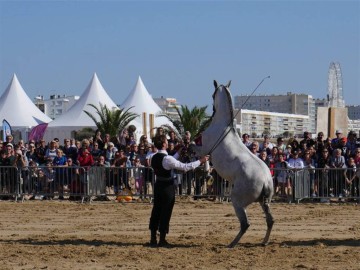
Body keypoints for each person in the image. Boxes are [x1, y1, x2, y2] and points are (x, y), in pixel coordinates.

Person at [148, 134, 209, 247]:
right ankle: (162, 239)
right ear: (164, 144)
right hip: (167, 187)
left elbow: (168, 161)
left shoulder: (154, 157)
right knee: (166, 212)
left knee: (156, 210)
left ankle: (152, 238)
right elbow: (185, 167)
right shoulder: (167, 159)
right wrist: (201, 161)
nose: (167, 142)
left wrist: (178, 152)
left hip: (158, 186)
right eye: (166, 141)